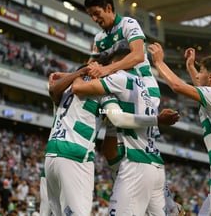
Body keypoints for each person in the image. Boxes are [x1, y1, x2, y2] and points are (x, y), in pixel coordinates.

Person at [45, 64, 178, 215]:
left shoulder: (64, 90)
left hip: (51, 157)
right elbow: (119, 119)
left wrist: (71, 74)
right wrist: (157, 119)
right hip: (76, 156)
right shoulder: (102, 92)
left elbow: (53, 89)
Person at [147, 43, 211, 216]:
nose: (198, 75)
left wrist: (159, 63)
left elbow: (178, 86)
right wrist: (190, 66)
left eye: (201, 71)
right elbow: (199, 84)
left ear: (210, 77)